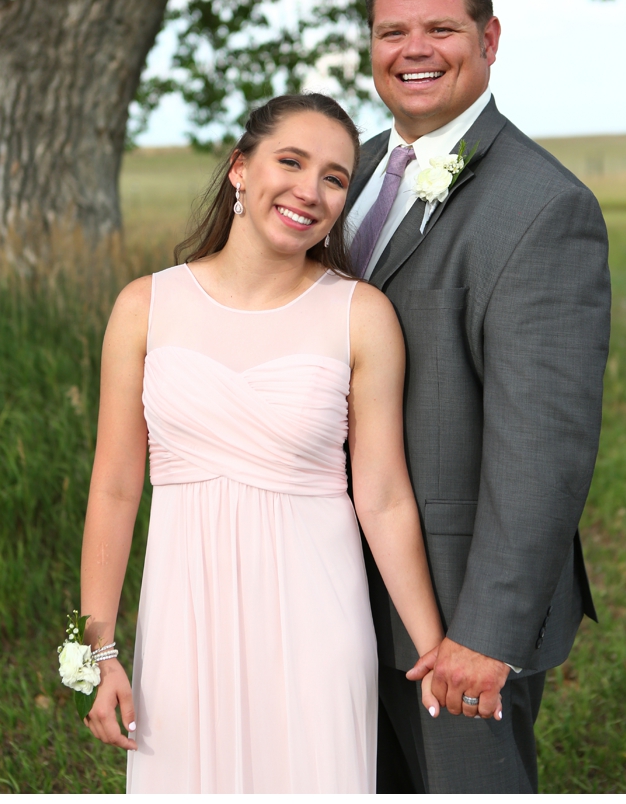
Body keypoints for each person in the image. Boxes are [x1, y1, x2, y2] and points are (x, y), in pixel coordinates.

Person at [77, 94, 449, 792]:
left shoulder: (360, 315)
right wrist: (100, 651)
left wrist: (433, 646)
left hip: (316, 618)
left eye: (336, 177)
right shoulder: (144, 307)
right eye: (291, 161)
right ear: (240, 171)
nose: (310, 190)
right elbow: (116, 486)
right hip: (184, 620)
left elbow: (385, 496)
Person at [345, 0, 611, 792]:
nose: (412, 51)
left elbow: (545, 444)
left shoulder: (543, 206)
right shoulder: (340, 174)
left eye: (440, 29)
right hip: (332, 578)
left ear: (488, 39)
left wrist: (488, 631)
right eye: (391, 32)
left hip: (455, 603)